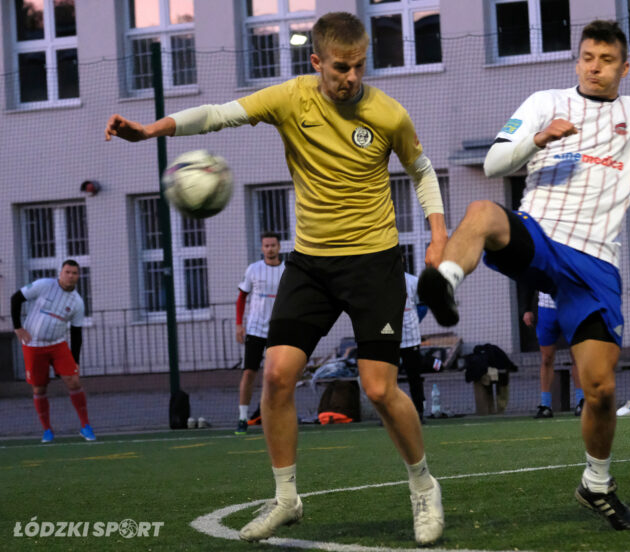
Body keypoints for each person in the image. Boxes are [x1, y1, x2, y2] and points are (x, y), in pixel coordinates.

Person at [105, 12, 447, 545]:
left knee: (379, 388)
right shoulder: (290, 98)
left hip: (373, 260)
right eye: (340, 67)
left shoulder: (387, 113)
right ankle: (287, 498)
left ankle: (424, 487)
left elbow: (421, 171)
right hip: (311, 262)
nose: (351, 77)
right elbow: (218, 113)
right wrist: (151, 130)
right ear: (316, 62)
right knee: (276, 374)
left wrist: (438, 234)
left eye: (359, 66)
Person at [417, 20, 630, 531]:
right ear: (578, 59)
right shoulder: (546, 101)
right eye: (588, 56)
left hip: (594, 267)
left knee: (601, 389)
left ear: (624, 68)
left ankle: (597, 484)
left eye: (606, 60)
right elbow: (497, 162)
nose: (595, 66)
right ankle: (446, 283)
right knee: (481, 210)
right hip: (540, 236)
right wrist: (540, 138)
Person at [10, 260, 96, 443]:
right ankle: (47, 430)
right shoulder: (44, 285)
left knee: (73, 381)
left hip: (58, 345)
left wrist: (75, 361)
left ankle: (85, 426)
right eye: (67, 272)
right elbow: (15, 298)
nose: (71, 276)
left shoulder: (77, 302)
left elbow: (76, 333)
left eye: (74, 273)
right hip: (33, 346)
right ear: (61, 273)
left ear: (78, 276)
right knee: (39, 388)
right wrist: (17, 327)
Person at [234, 232, 285, 435]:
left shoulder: (286, 270)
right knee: (249, 373)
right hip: (255, 329)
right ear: (262, 248)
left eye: (273, 245)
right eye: (266, 245)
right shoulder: (254, 269)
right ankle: (242, 418)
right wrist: (239, 324)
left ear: (279, 247)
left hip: (278, 330)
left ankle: (273, 416)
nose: (270, 249)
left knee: (275, 376)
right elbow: (241, 298)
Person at [522, 292, 584, 418]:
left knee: (577, 357)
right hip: (547, 310)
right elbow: (531, 278)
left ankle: (582, 402)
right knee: (546, 359)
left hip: (572, 307)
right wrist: (527, 309)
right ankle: (545, 406)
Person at [401, 269, 427, 422]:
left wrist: (414, 322)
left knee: (414, 377)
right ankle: (389, 416)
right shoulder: (380, 279)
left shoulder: (413, 281)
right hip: (389, 338)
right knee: (388, 379)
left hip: (411, 338)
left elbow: (422, 306)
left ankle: (419, 412)